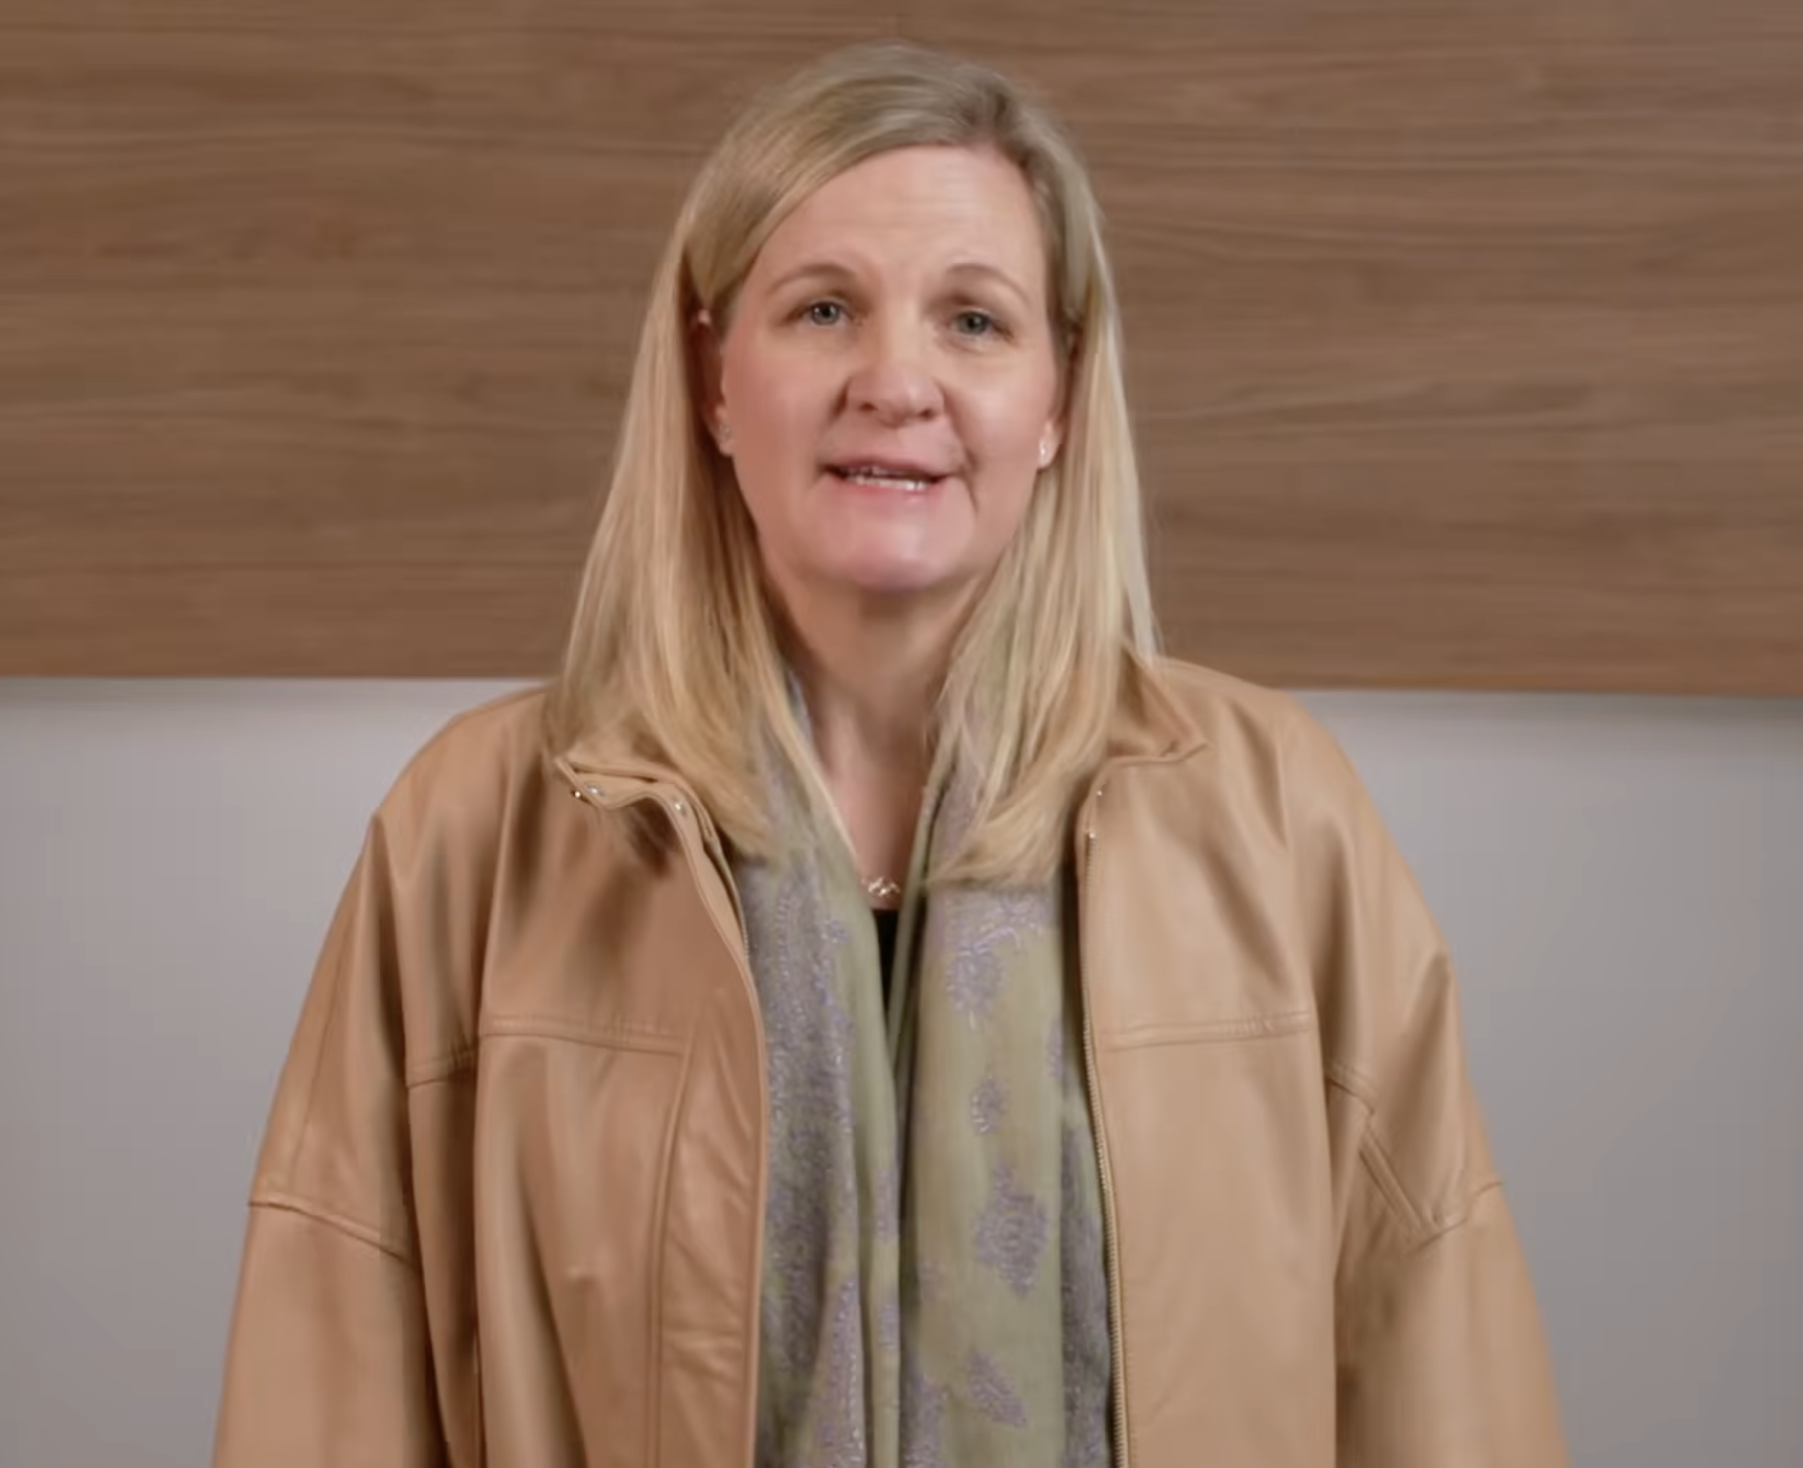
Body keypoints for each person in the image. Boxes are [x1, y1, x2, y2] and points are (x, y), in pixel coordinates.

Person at [212, 38, 1564, 1468]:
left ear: (1058, 396)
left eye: (974, 321)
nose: (896, 381)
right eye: (823, 309)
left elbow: (1439, 1370)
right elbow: (331, 1387)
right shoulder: (474, 837)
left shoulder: (1279, 819)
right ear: (713, 376)